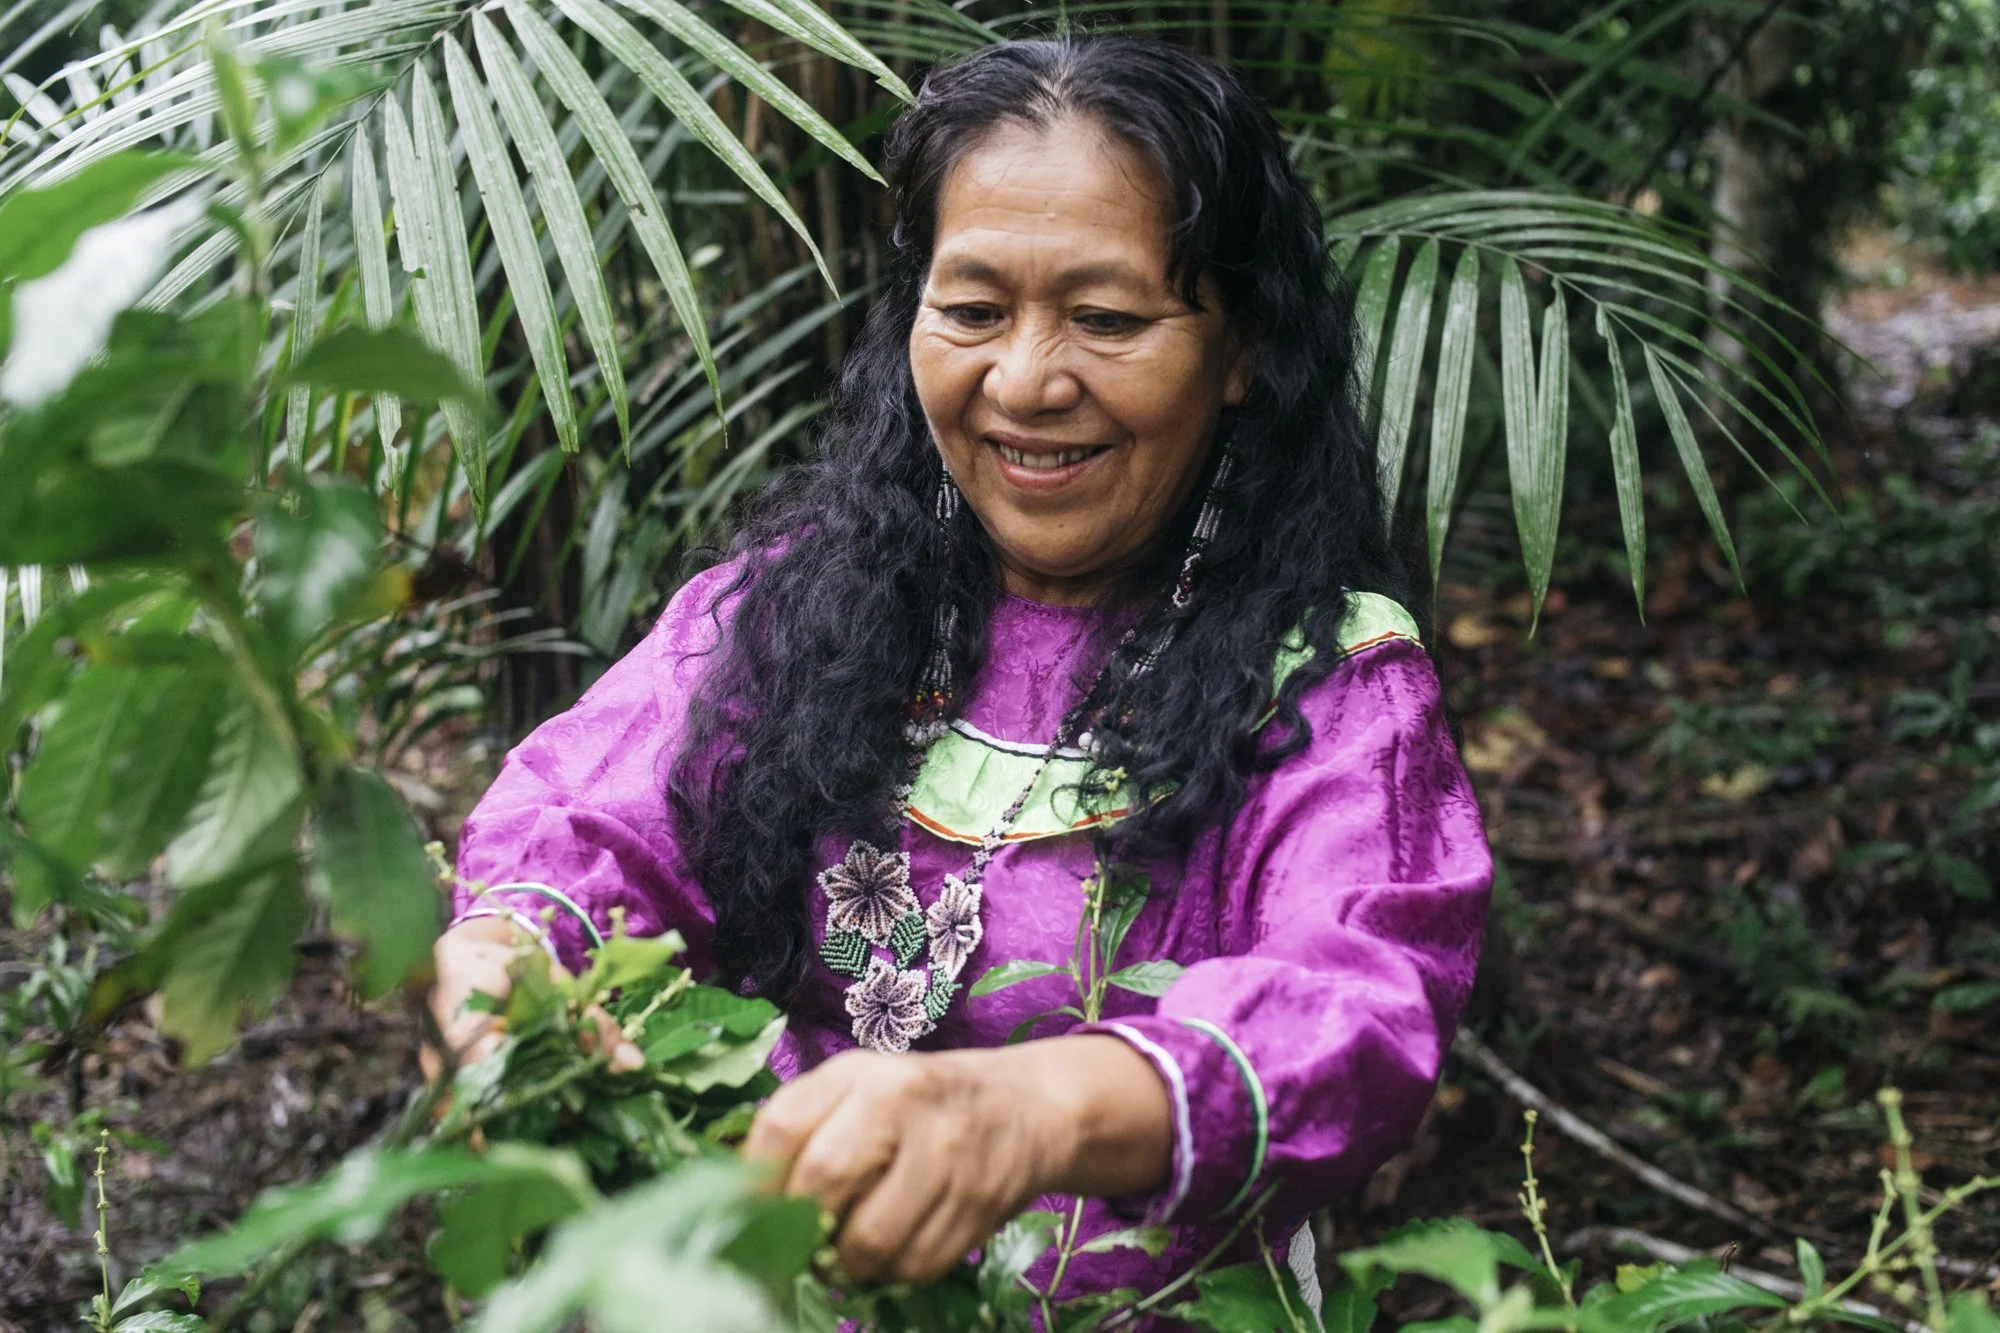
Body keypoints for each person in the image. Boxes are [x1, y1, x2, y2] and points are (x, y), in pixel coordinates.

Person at [428, 34, 1492, 1318]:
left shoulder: (1327, 681)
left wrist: (1025, 1112)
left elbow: (1358, 1008)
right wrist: (504, 968)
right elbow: (585, 818)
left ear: (1239, 351)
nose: (1026, 381)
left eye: (1105, 318)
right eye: (973, 310)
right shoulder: (793, 601)